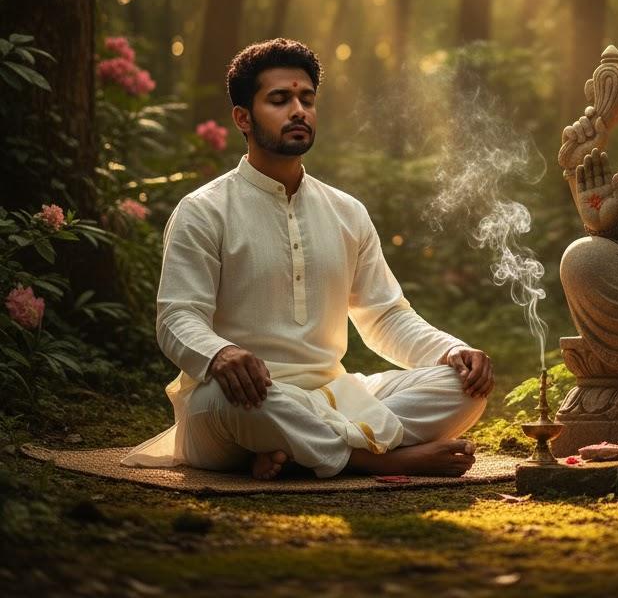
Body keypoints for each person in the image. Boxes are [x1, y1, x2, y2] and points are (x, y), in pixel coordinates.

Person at [123, 38, 493, 480]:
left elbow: (385, 316)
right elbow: (177, 317)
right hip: (245, 400)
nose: (298, 110)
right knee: (230, 400)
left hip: (331, 392)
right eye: (279, 100)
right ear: (243, 117)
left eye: (307, 99)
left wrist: (451, 350)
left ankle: (294, 454)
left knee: (463, 389)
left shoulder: (346, 212)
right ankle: (376, 459)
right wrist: (219, 354)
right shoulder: (204, 210)